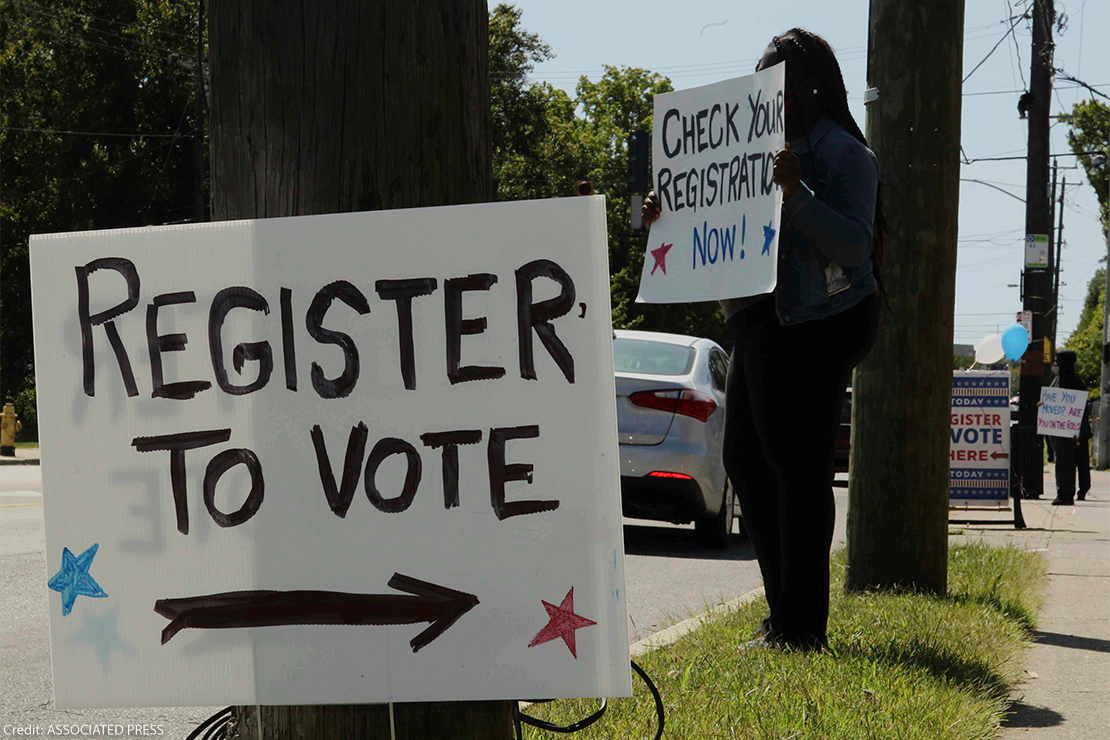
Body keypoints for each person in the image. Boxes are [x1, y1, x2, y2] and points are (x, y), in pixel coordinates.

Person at [642, 28, 883, 651]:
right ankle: (783, 617)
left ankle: (803, 627)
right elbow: (712, 218)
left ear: (805, 88)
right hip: (759, 319)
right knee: (746, 461)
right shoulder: (750, 148)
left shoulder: (843, 154)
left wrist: (795, 193)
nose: (761, 89)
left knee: (797, 471)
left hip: (820, 323)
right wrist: (663, 213)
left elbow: (854, 246)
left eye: (771, 78)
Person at [1048, 350, 1092, 505]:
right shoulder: (1058, 380)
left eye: (1057, 362)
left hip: (1070, 431)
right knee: (1063, 462)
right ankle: (1065, 492)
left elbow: (1081, 408)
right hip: (1059, 430)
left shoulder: (1073, 382)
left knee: (1067, 463)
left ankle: (1066, 494)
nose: (1055, 365)